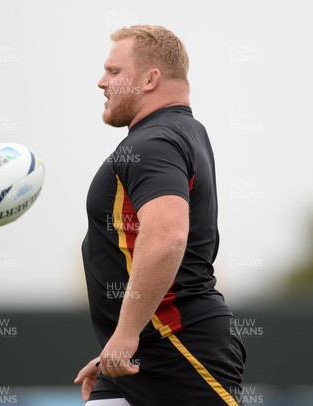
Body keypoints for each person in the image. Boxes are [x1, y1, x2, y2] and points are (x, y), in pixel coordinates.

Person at [74, 25, 246, 406]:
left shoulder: (154, 142)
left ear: (151, 79)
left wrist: (127, 333)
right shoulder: (181, 131)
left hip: (177, 344)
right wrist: (120, 340)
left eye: (114, 72)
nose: (101, 82)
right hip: (139, 354)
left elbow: (168, 236)